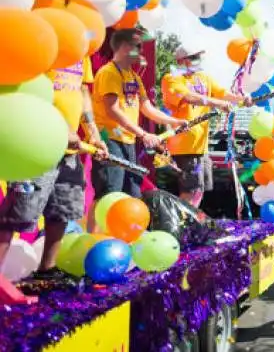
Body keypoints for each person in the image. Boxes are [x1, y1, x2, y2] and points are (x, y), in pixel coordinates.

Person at [0, 55, 108, 280]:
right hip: (36, 147)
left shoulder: (82, 50)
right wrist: (58, 130)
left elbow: (82, 91)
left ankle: (46, 271)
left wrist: (93, 133)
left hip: (68, 152)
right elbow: (30, 92)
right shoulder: (44, 42)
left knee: (61, 211)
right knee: (17, 214)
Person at [90, 29, 186, 227]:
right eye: (138, 46)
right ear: (125, 47)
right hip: (109, 141)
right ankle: (94, 238)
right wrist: (143, 134)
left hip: (128, 142)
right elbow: (113, 110)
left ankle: (122, 240)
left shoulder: (133, 76)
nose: (142, 51)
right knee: (109, 194)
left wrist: (176, 122)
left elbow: (147, 107)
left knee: (130, 194)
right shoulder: (109, 72)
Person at [161, 46, 251, 207]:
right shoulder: (171, 79)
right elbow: (188, 97)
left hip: (201, 146)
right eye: (193, 57)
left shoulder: (203, 77)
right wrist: (216, 103)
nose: (197, 60)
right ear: (180, 60)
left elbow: (221, 93)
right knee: (190, 189)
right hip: (184, 146)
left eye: (198, 57)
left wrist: (241, 99)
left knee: (200, 189)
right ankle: (183, 224)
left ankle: (190, 221)